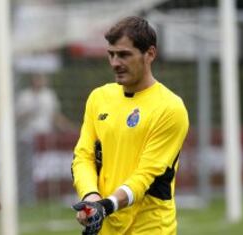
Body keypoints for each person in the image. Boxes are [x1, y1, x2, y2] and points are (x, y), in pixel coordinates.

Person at [71, 16, 189, 235]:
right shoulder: (99, 98)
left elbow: (145, 176)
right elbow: (83, 156)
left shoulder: (170, 108)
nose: (115, 63)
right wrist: (90, 197)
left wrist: (105, 206)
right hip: (105, 225)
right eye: (111, 54)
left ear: (150, 54)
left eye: (124, 54)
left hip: (150, 228)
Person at [16, 73, 74, 204]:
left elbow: (55, 115)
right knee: (28, 169)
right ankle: (27, 197)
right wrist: (28, 111)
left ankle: (47, 196)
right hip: (28, 137)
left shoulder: (49, 95)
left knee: (45, 169)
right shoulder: (25, 96)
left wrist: (68, 127)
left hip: (46, 137)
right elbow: (17, 117)